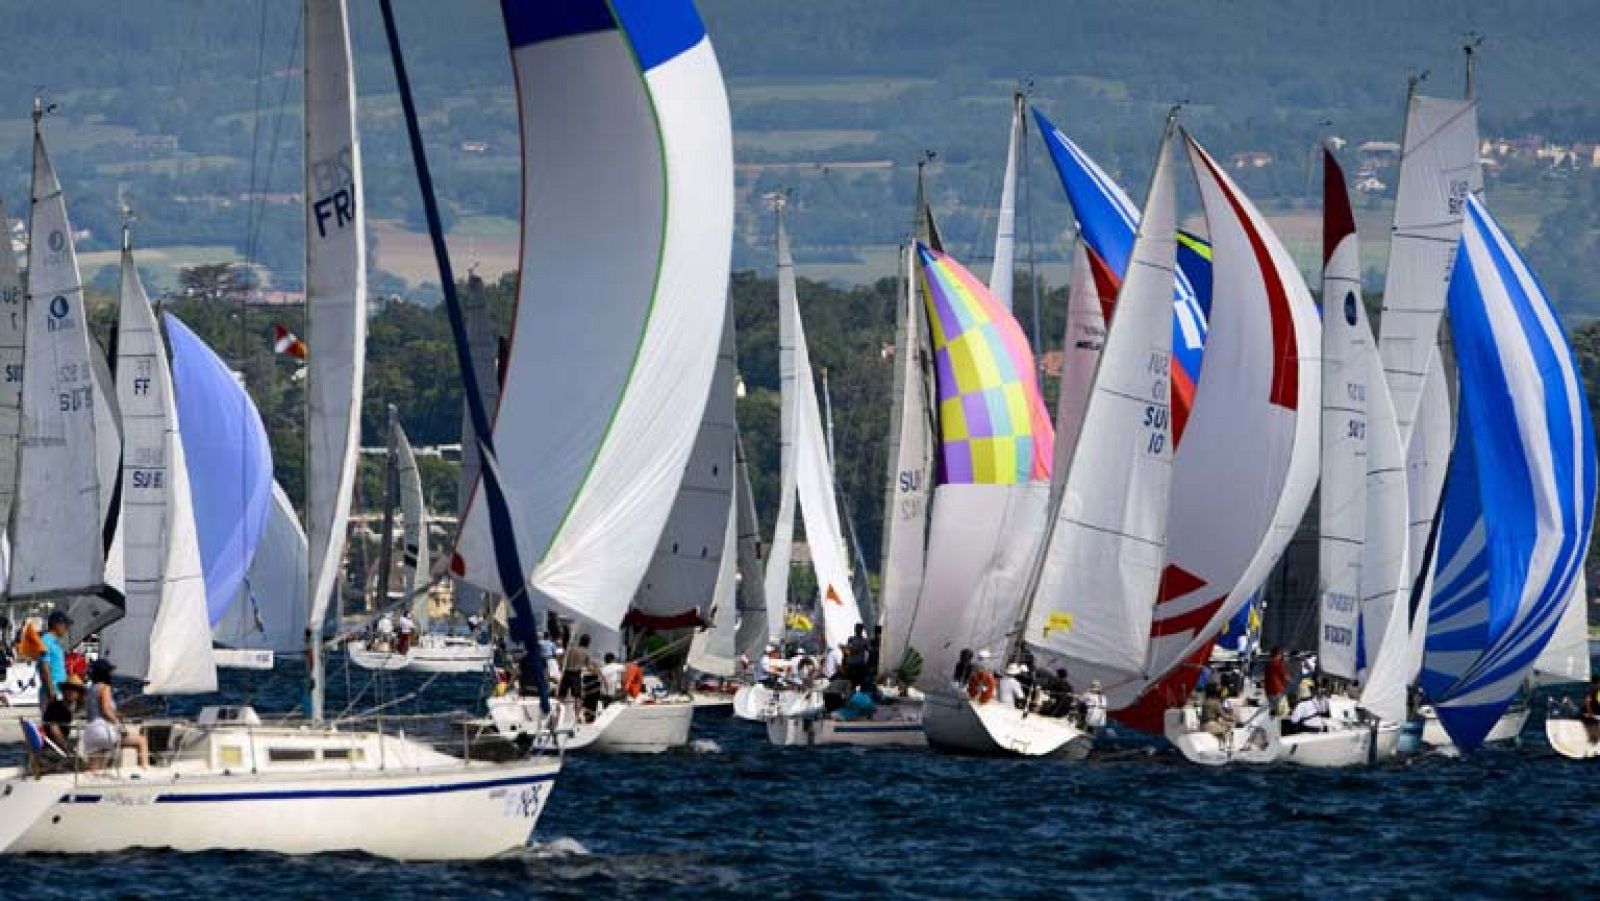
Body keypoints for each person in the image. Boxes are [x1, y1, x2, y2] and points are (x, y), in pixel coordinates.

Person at [81, 659, 149, 770]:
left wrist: (117, 714)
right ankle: (144, 771)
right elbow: (106, 710)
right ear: (105, 673)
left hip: (90, 733)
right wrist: (119, 725)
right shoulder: (105, 688)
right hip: (103, 731)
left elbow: (97, 709)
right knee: (141, 741)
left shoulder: (90, 690)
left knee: (94, 771)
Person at [41, 674, 87, 752]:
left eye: (75, 689)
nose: (71, 692)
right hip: (55, 748)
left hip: (75, 746)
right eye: (68, 688)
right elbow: (54, 731)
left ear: (79, 693)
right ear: (63, 690)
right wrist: (67, 749)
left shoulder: (80, 709)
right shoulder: (54, 707)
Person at [37, 611, 72, 711]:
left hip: (59, 692)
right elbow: (44, 667)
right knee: (53, 725)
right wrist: (52, 694)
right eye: (65, 625)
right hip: (52, 693)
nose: (66, 628)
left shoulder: (54, 643)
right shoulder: (46, 641)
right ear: (57, 624)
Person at [559, 634, 595, 701]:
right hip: (575, 675)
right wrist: (596, 671)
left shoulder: (571, 649)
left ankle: (558, 711)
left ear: (580, 640)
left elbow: (563, 658)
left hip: (566, 673)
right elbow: (588, 667)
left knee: (561, 696)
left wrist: (560, 666)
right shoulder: (586, 653)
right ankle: (576, 712)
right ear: (588, 642)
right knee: (578, 698)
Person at [1264, 648, 1289, 714]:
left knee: (1272, 710)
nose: (1281, 656)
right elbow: (1285, 676)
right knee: (1280, 710)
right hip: (1278, 689)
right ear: (1278, 654)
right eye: (1280, 654)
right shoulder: (1279, 663)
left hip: (1269, 690)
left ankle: (1271, 721)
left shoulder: (1268, 664)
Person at [1583, 675, 1600, 743]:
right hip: (1591, 713)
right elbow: (1587, 701)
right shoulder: (1592, 691)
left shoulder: (1593, 690)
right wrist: (1590, 713)